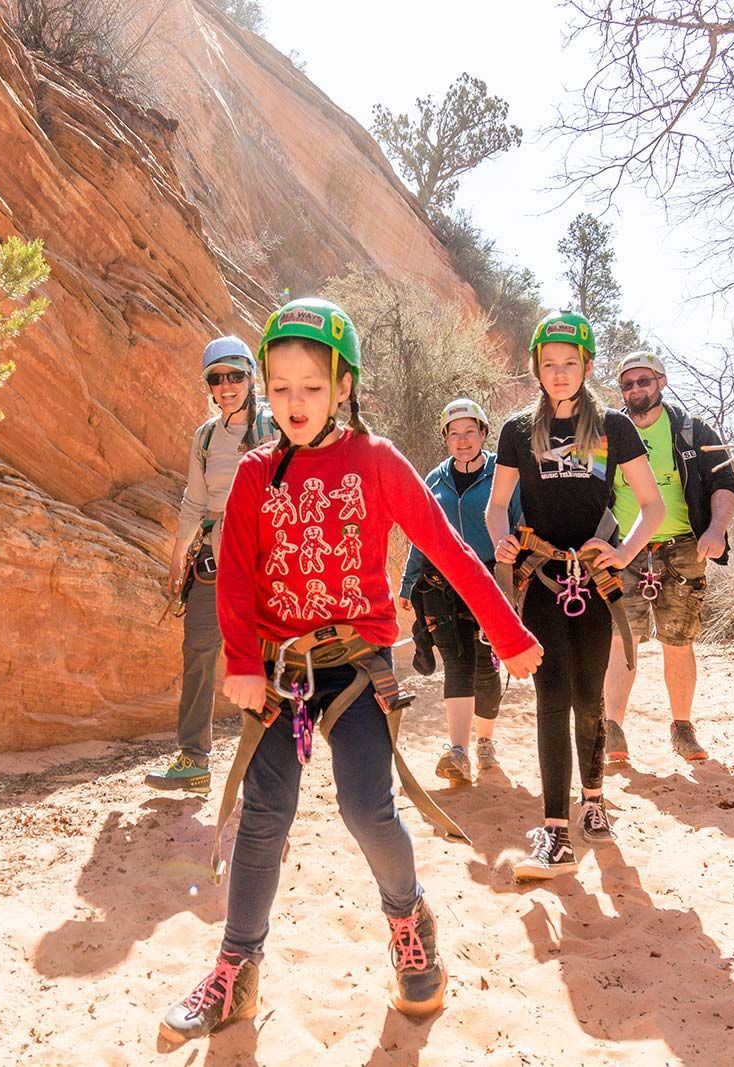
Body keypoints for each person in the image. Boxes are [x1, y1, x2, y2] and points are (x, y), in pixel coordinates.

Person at [159, 299, 542, 1044]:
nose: (293, 402)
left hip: (357, 670)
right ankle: (237, 970)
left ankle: (409, 920)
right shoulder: (252, 472)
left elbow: (448, 547)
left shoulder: (377, 459)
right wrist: (240, 661)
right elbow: (235, 575)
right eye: (280, 387)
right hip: (281, 673)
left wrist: (508, 631)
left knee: (367, 809)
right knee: (262, 818)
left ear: (343, 385)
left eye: (311, 385)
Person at [486, 311, 665, 880]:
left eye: (569, 364)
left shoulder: (614, 426)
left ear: (586, 366)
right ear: (536, 369)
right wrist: (501, 544)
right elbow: (497, 507)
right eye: (548, 365)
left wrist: (624, 552)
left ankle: (595, 803)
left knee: (590, 698)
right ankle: (556, 831)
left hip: (594, 582)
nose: (559, 374)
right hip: (541, 580)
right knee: (550, 698)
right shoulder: (517, 431)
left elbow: (653, 506)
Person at [146, 336, 274, 794]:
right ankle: (194, 759)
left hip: (262, 560)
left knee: (264, 660)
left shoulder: (273, 427)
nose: (226, 387)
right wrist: (177, 558)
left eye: (234, 376)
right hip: (212, 560)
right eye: (216, 379)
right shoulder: (204, 437)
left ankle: (265, 763)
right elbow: (194, 501)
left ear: (249, 377)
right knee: (199, 652)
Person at [601, 351, 734, 764]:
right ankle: (613, 729)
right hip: (622, 547)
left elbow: (725, 482)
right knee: (620, 640)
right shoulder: (609, 434)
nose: (635, 390)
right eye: (627, 384)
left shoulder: (691, 431)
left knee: (678, 641)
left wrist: (715, 529)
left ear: (661, 382)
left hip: (683, 547)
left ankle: (682, 728)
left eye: (643, 381)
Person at [398, 398, 523, 784]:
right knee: (457, 661)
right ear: (446, 439)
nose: (463, 440)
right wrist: (407, 582)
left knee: (485, 667)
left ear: (484, 434)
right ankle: (458, 750)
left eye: (470, 432)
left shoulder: (503, 476)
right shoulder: (434, 480)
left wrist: (516, 553)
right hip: (442, 583)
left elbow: (520, 522)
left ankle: (484, 742)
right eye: (454, 434)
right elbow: (421, 534)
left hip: (490, 579)